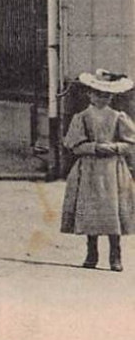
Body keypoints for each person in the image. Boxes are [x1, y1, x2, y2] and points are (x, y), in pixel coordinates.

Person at [60, 70, 135, 272]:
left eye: (106, 94)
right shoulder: (81, 117)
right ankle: (91, 253)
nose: (102, 98)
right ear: (89, 94)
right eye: (98, 93)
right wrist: (93, 148)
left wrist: (115, 148)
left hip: (112, 169)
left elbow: (131, 143)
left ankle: (115, 255)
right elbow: (73, 145)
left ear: (112, 96)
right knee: (91, 211)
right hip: (90, 169)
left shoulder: (119, 117)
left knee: (113, 210)